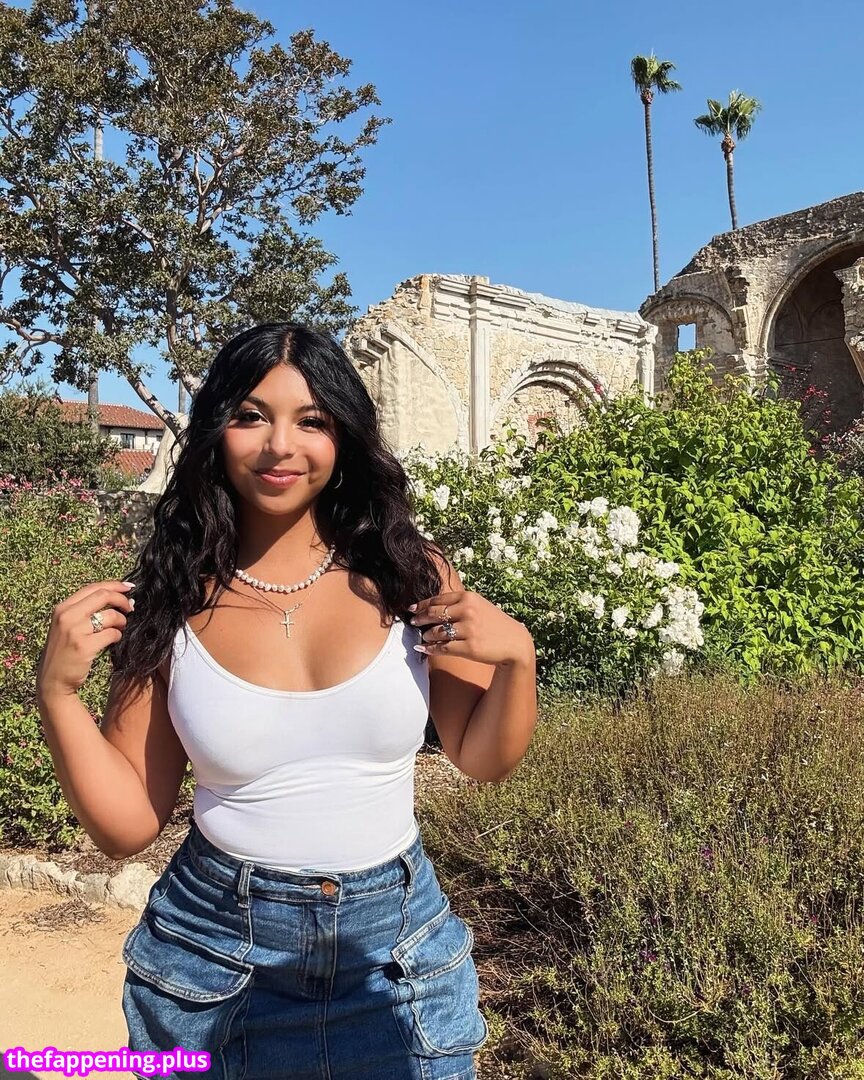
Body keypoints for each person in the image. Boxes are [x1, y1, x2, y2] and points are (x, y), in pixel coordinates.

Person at [35, 323, 537, 1080]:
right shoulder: (171, 598)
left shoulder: (409, 574)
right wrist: (58, 694)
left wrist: (518, 659)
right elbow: (127, 825)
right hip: (214, 957)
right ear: (215, 430)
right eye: (250, 416)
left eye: (311, 421)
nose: (280, 446)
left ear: (345, 438)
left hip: (397, 957)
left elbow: (482, 758)